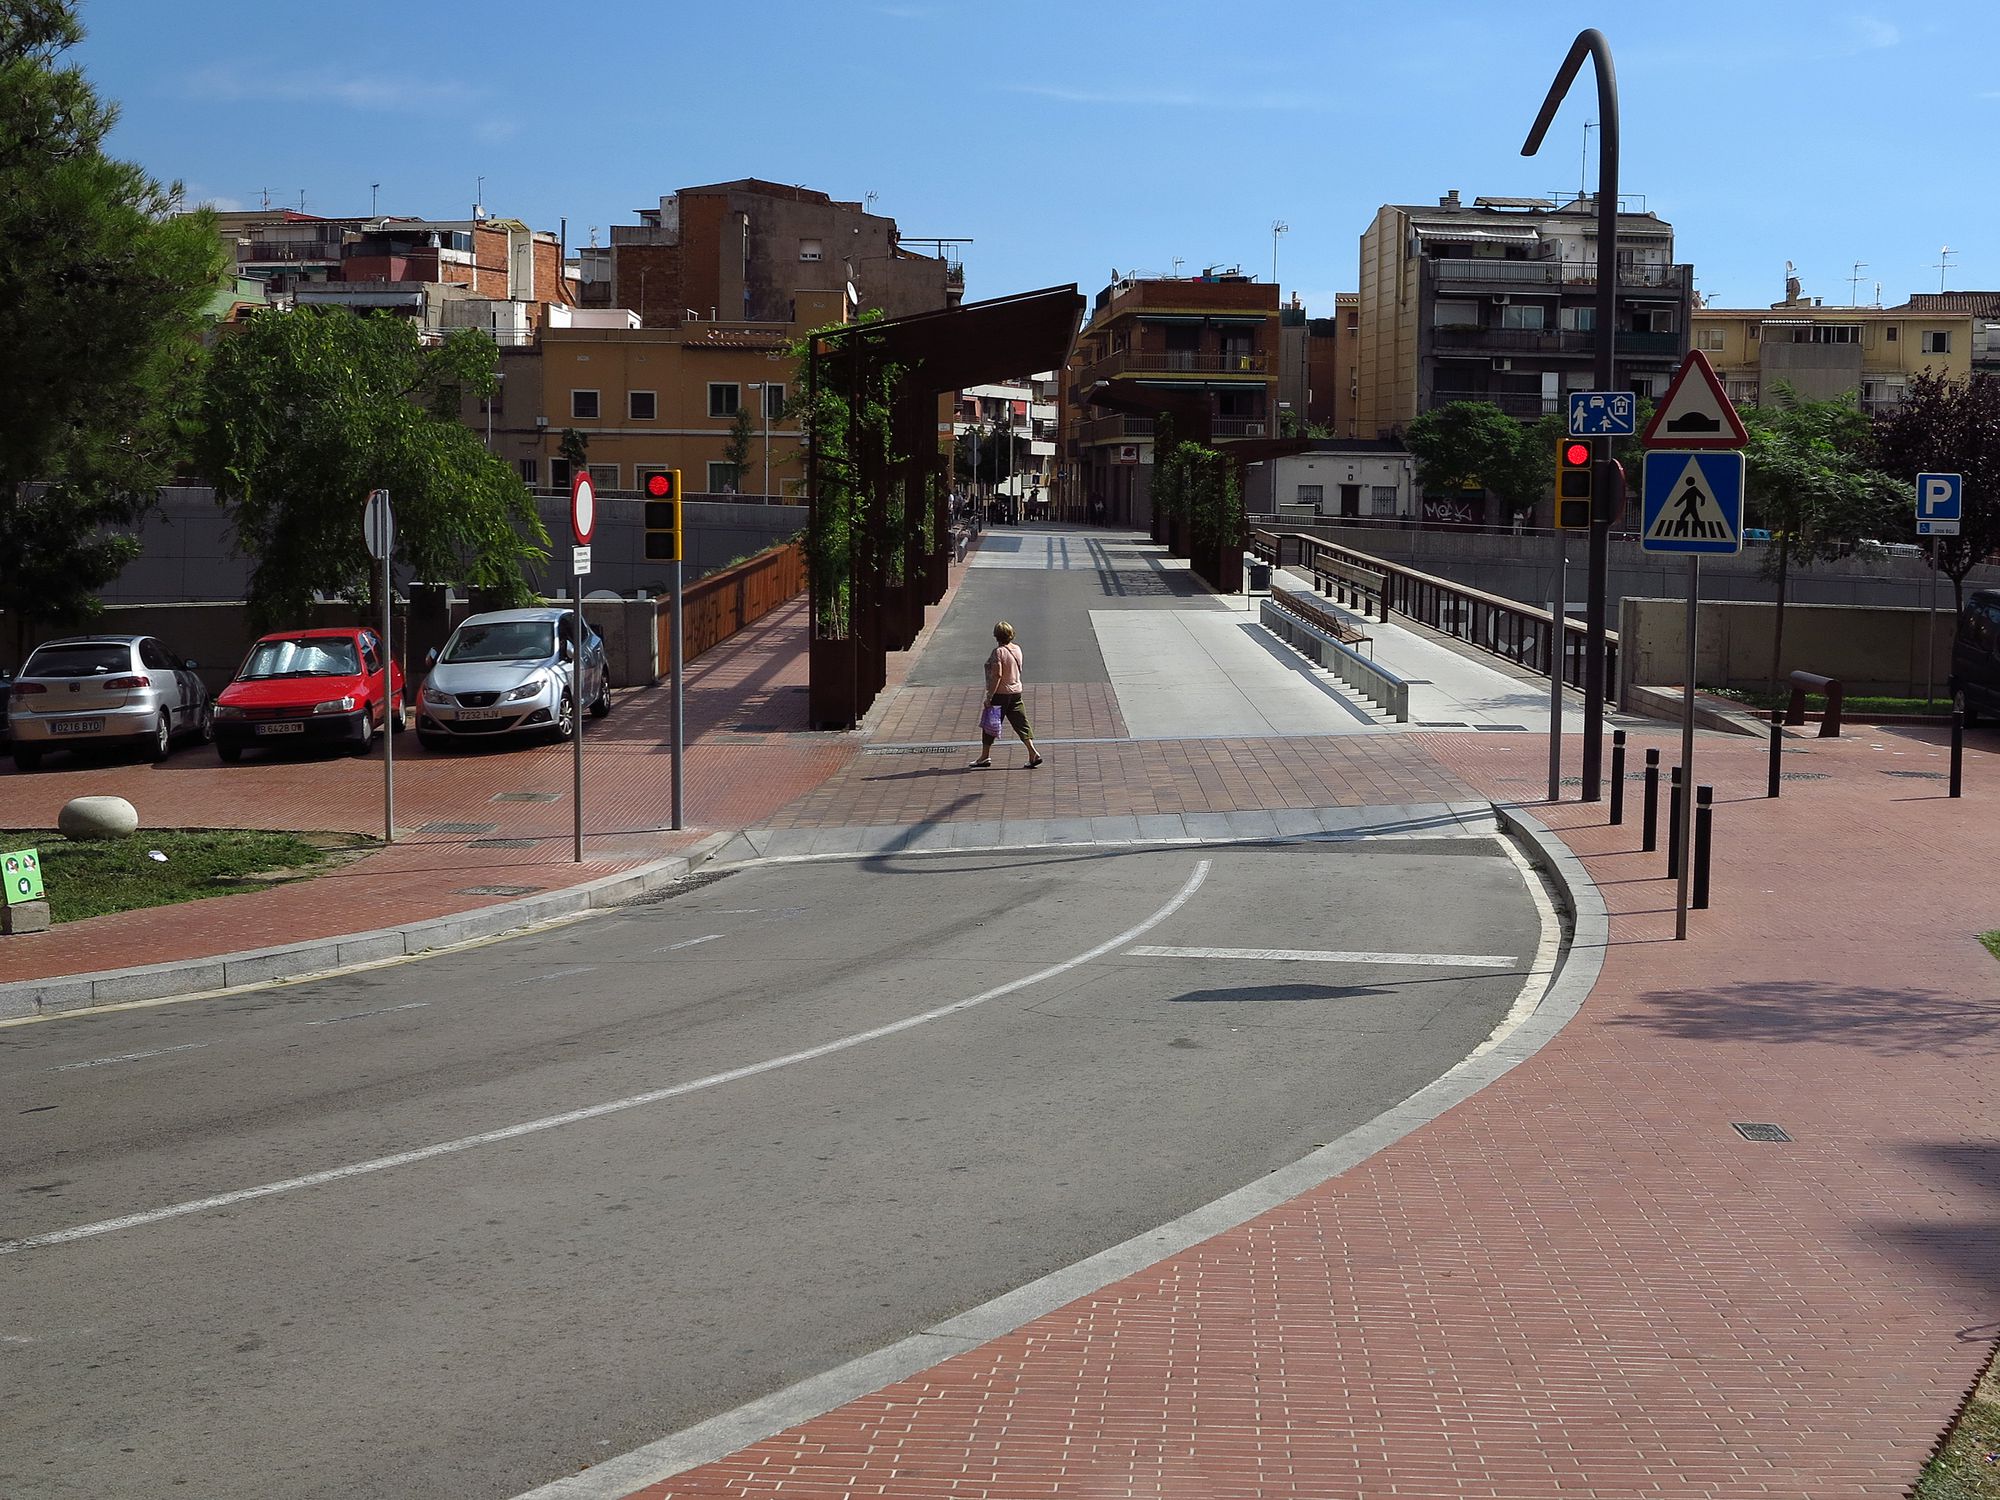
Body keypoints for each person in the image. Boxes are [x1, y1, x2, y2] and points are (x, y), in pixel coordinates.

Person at [970, 620, 1041, 770]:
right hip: (1016, 692)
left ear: (996, 636)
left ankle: (984, 756)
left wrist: (990, 695)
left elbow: (998, 675)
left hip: (1001, 694)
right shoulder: (1017, 649)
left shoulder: (998, 652)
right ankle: (1033, 752)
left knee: (990, 725)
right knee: (1021, 723)